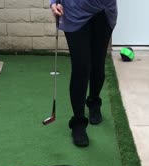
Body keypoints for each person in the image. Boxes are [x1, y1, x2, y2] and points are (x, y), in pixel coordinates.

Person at [50, 0, 118, 147]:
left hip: (104, 11)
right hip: (74, 11)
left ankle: (94, 102)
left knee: (97, 63)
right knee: (81, 67)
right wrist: (53, 2)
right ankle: (78, 122)